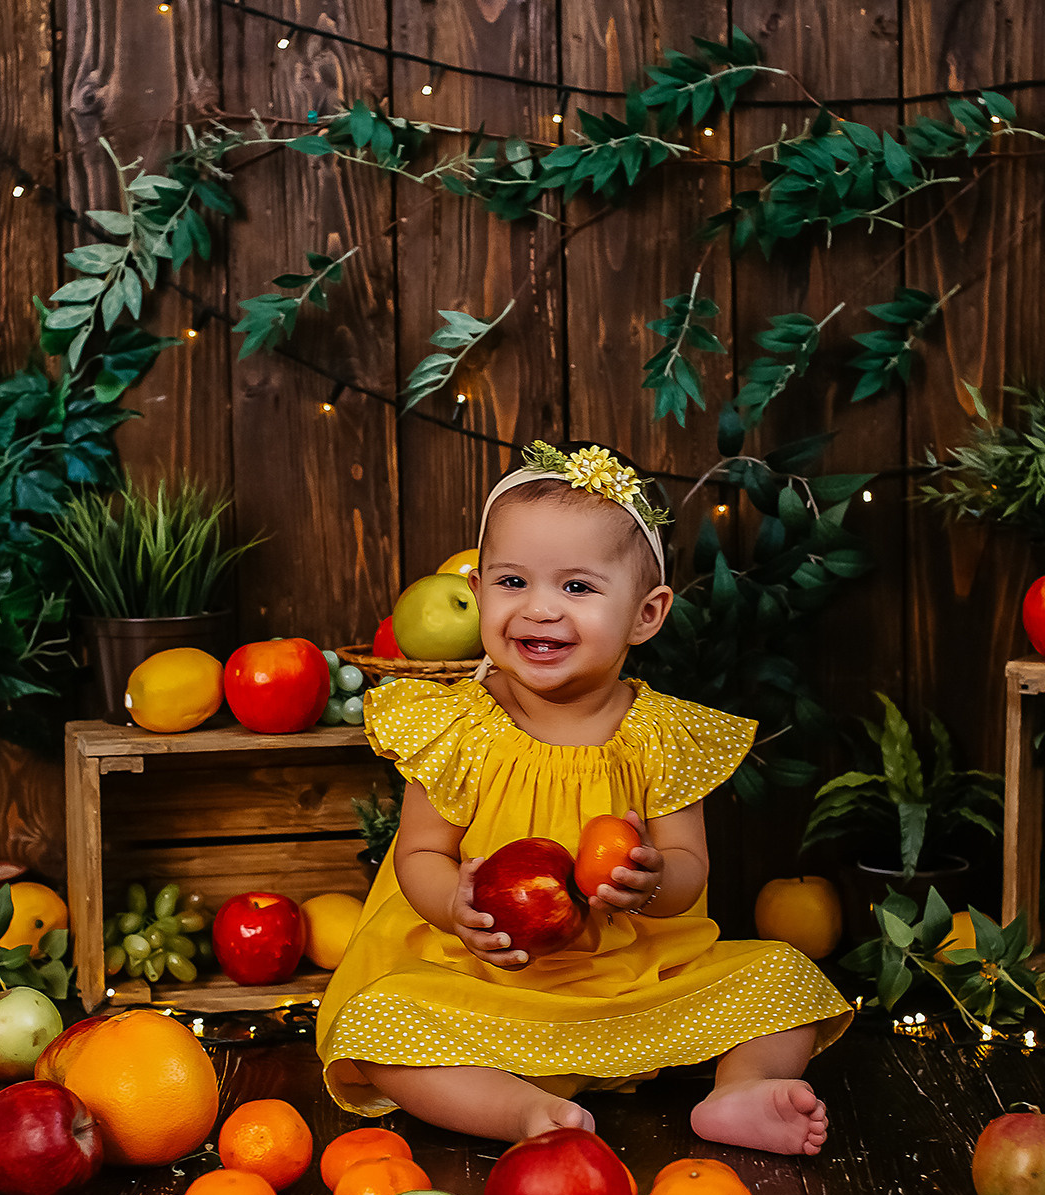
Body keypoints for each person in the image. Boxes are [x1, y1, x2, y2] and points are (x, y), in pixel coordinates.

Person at [316, 441, 852, 1154]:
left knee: (784, 978)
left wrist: (652, 879)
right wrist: (456, 904)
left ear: (647, 614)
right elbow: (418, 852)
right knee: (377, 1022)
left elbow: (690, 870)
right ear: (476, 592)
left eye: (577, 588)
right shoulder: (460, 724)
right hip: (485, 979)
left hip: (633, 979)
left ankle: (741, 1090)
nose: (539, 610)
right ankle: (519, 1113)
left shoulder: (659, 733)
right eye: (512, 581)